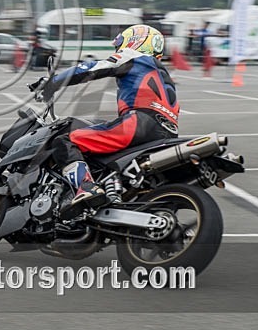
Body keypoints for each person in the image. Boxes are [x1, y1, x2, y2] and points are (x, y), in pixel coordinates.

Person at [30, 24, 180, 218]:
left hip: (139, 124)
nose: (119, 49)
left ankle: (86, 188)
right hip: (167, 132)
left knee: (65, 141)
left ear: (136, 40)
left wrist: (53, 82)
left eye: (121, 45)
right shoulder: (163, 73)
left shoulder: (134, 56)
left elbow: (93, 68)